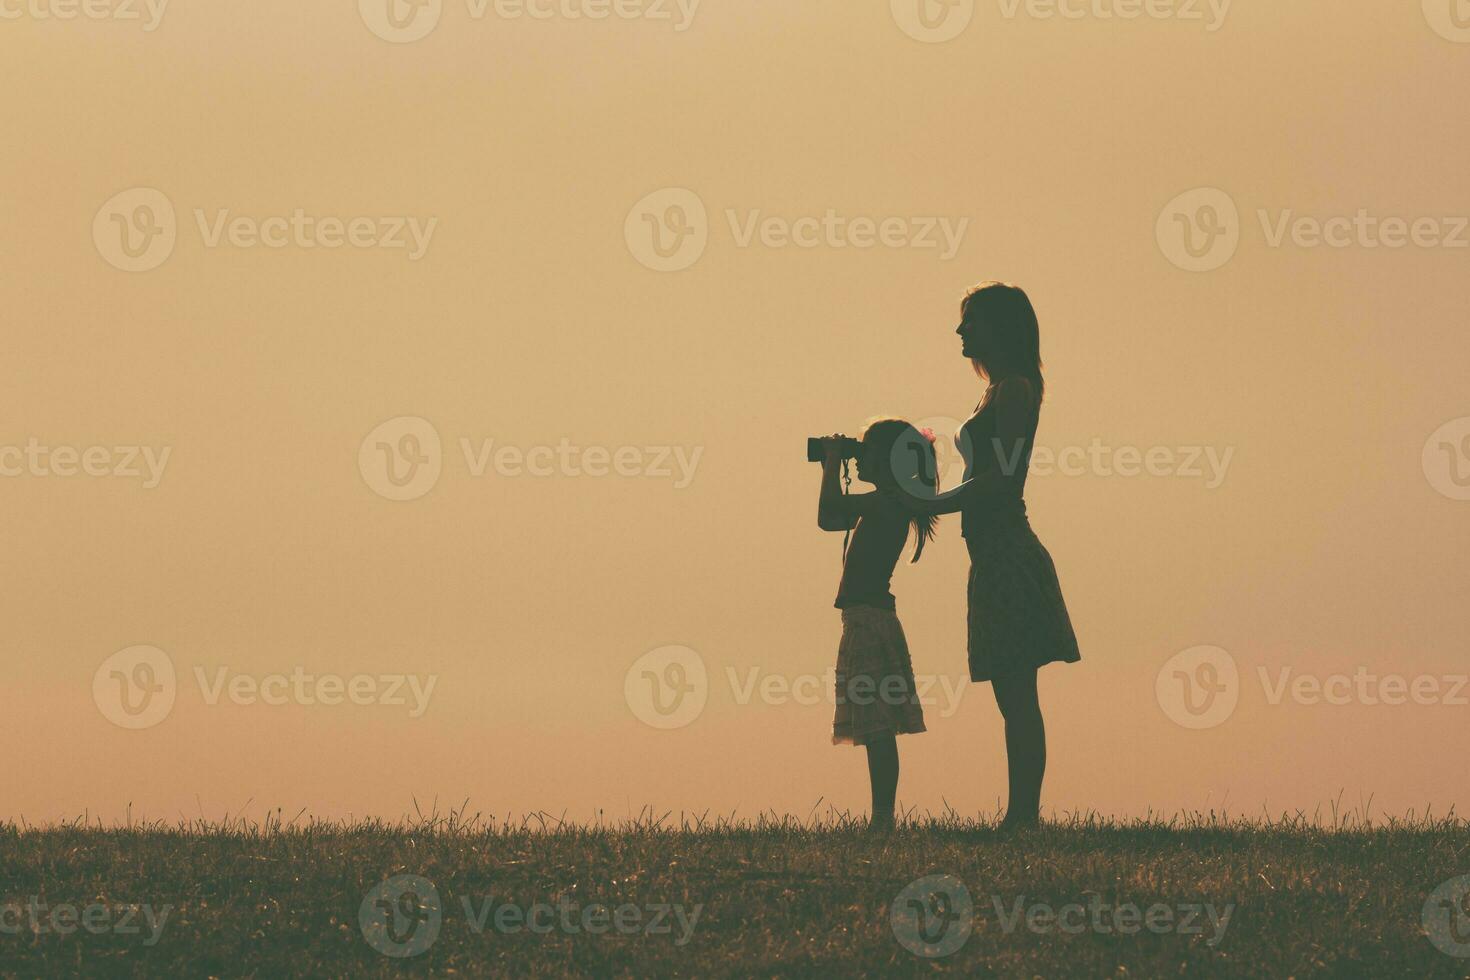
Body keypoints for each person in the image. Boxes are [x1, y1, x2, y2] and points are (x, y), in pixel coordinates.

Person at [907, 281, 1082, 829]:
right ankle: (1021, 816)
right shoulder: (998, 391)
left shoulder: (1013, 392)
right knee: (1012, 693)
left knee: (1016, 693)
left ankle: (1024, 818)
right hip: (990, 552)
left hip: (1007, 551)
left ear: (999, 326)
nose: (961, 331)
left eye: (972, 321)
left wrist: (930, 501)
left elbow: (999, 482)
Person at [815, 419, 939, 831]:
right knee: (875, 724)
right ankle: (881, 816)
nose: (859, 455)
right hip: (866, 619)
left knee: (878, 725)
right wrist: (829, 472)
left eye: (865, 450)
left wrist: (834, 465)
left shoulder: (886, 503)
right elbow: (832, 520)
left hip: (869, 621)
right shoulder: (887, 502)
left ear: (888, 462)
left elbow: (828, 512)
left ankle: (883, 818)